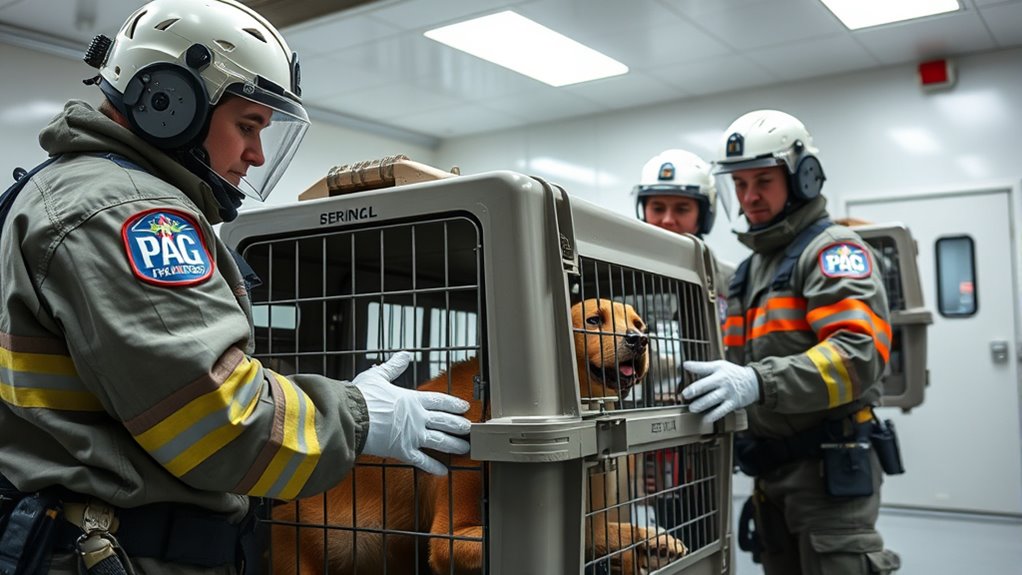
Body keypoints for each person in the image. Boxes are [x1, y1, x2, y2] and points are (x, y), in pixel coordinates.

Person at [0, 1, 471, 572]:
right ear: (167, 102)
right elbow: (213, 419)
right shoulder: (128, 212)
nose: (256, 154)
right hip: (127, 552)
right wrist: (359, 416)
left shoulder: (70, 193)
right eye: (247, 125)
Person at [681, 110, 901, 574]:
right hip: (770, 472)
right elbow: (735, 360)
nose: (750, 196)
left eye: (763, 180)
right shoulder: (751, 269)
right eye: (739, 183)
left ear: (803, 177)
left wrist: (759, 383)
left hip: (827, 472)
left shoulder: (833, 251)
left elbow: (858, 355)